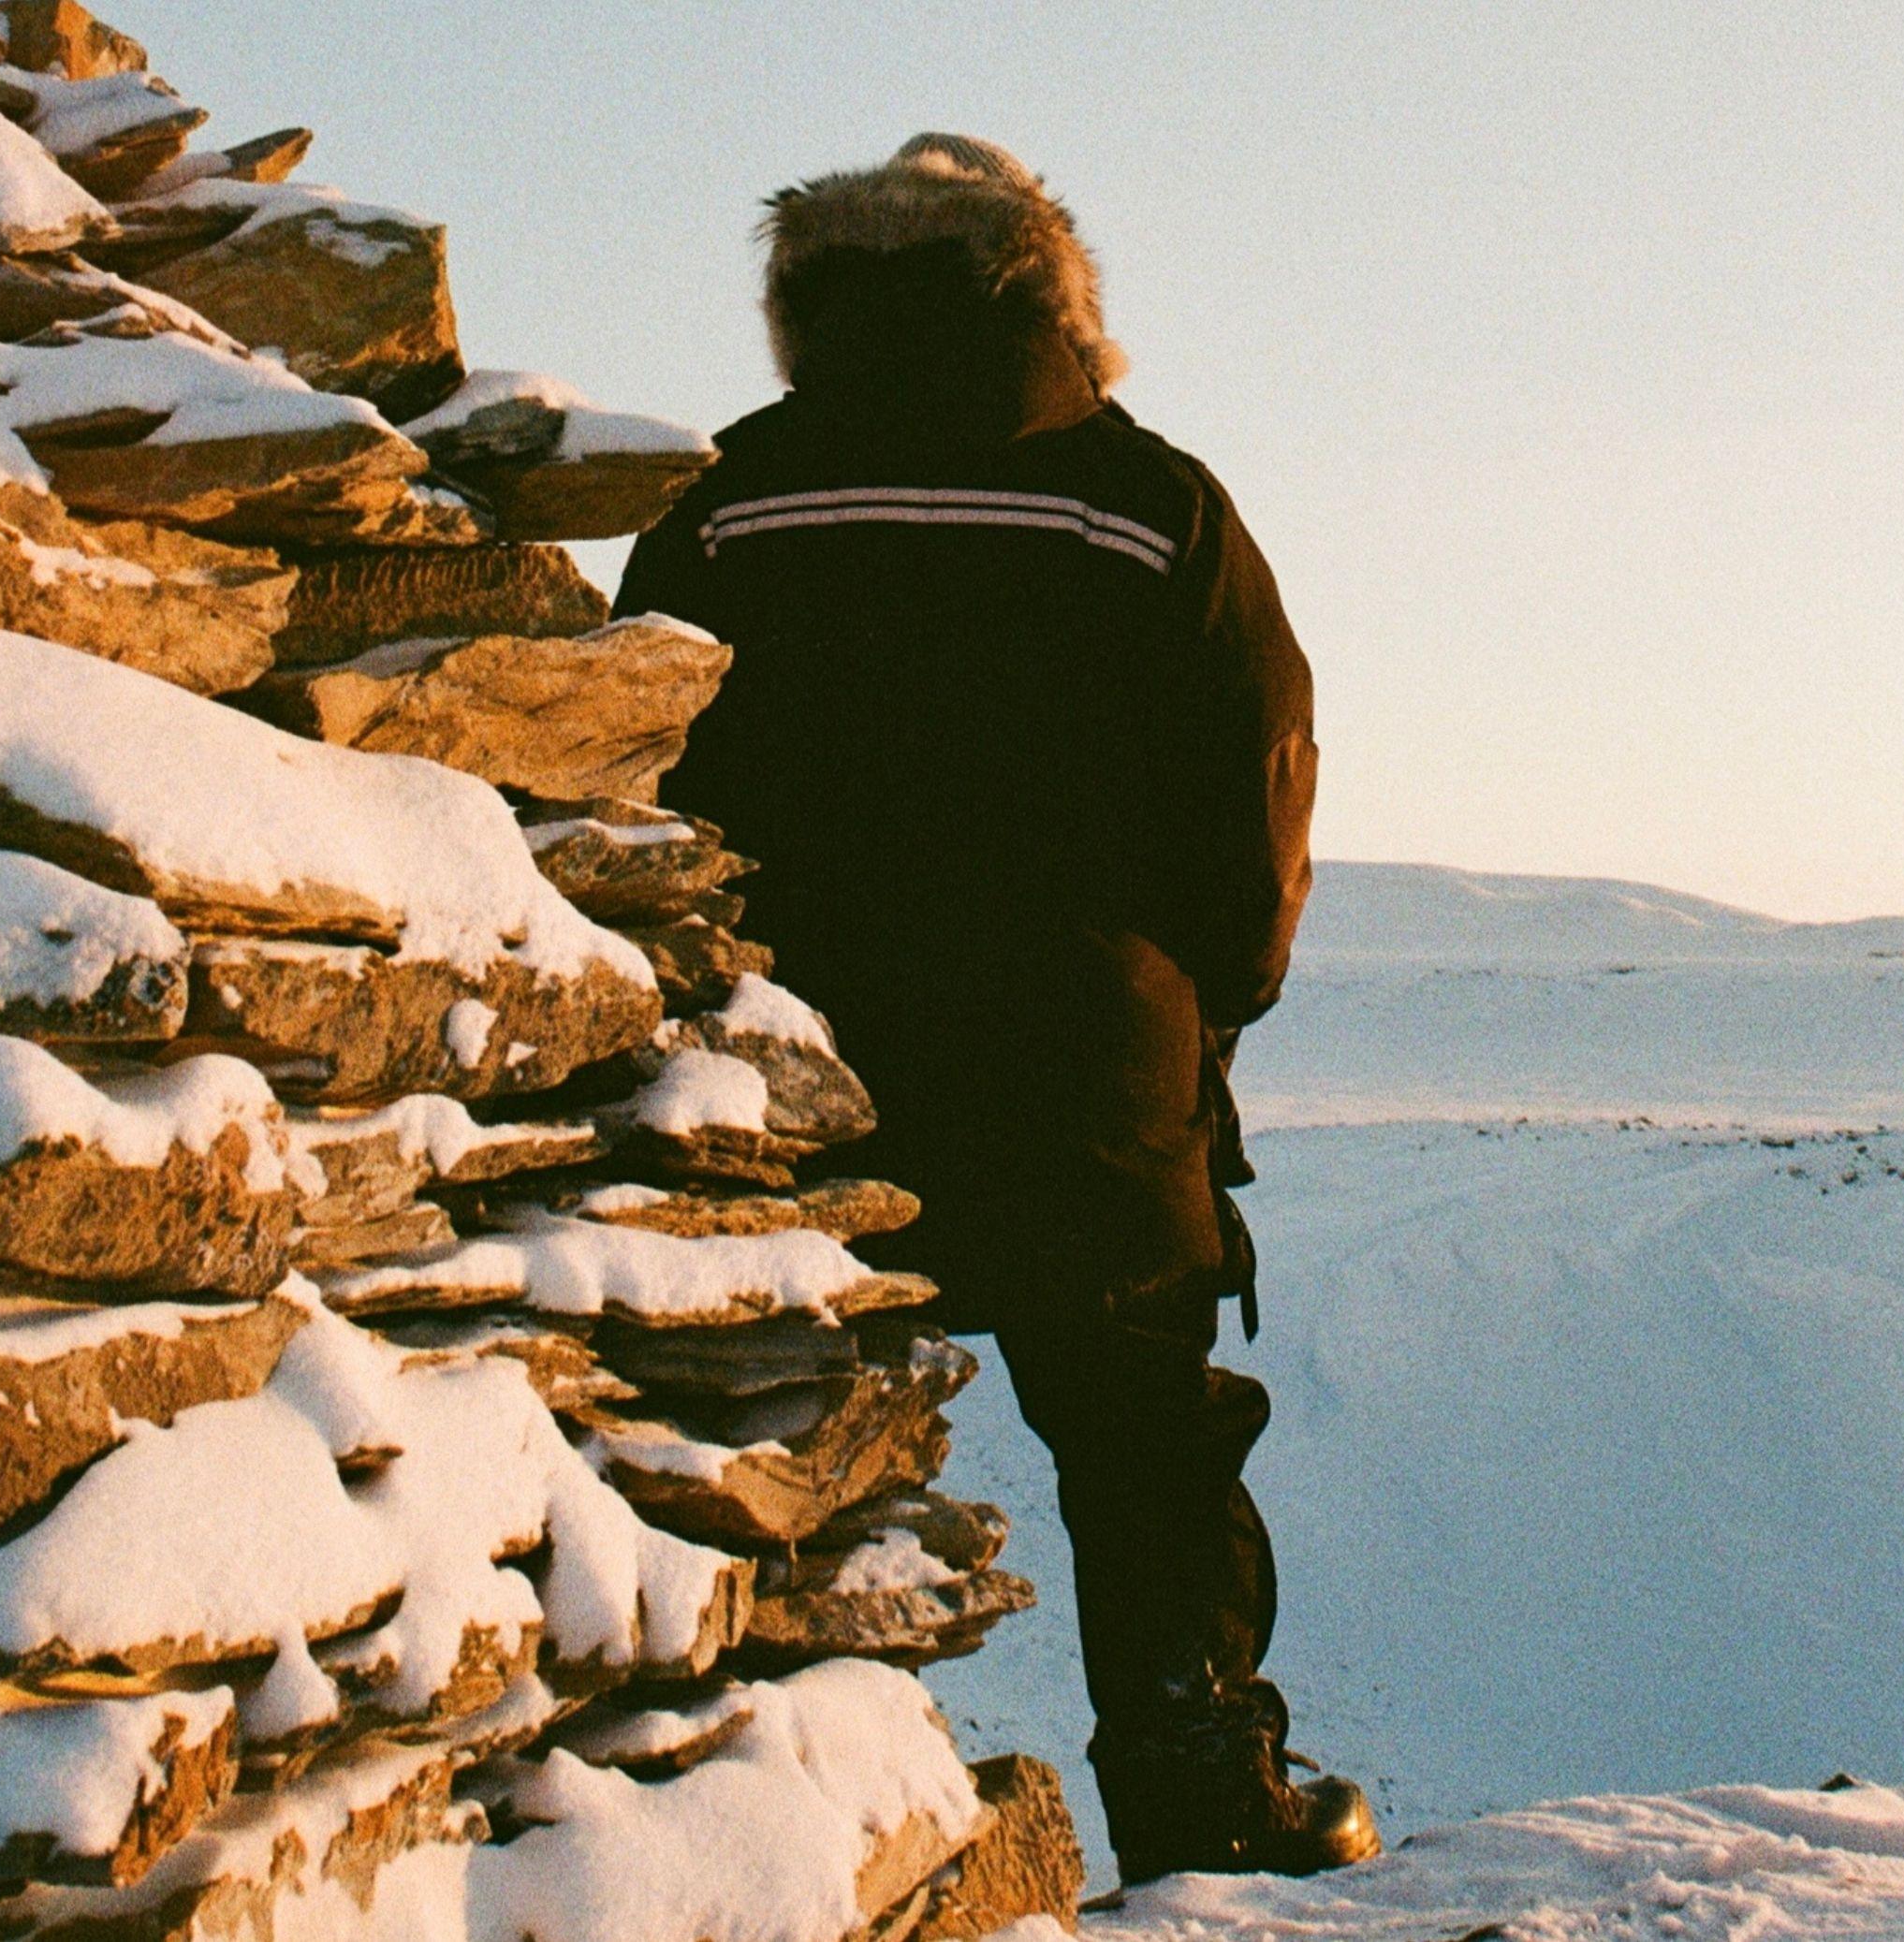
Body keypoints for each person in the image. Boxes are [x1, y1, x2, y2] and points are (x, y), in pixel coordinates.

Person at [618, 133, 1376, 1882]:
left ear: (811, 304)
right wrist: (1203, 1012)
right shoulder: (1147, 498)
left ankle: (764, 1818)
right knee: (1140, 1435)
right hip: (1082, 1065)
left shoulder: (730, 499)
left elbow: (628, 766)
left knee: (763, 1431)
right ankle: (1204, 1797)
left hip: (785, 1067)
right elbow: (1253, 794)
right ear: (1051, 295)